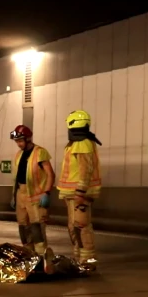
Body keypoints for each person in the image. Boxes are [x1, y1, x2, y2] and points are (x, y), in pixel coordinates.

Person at [57, 110, 102, 268]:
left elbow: (85, 170)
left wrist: (81, 191)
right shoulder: (78, 143)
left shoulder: (82, 143)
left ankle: (88, 260)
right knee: (74, 226)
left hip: (78, 193)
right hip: (72, 193)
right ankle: (80, 258)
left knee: (82, 225)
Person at [10, 125, 56, 273]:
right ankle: (29, 257)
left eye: (20, 140)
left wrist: (47, 193)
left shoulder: (40, 153)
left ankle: (42, 260)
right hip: (21, 194)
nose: (18, 144)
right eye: (16, 141)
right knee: (23, 227)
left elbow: (50, 174)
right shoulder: (18, 155)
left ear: (28, 138)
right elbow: (16, 178)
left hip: (36, 197)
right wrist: (14, 196)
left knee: (37, 228)